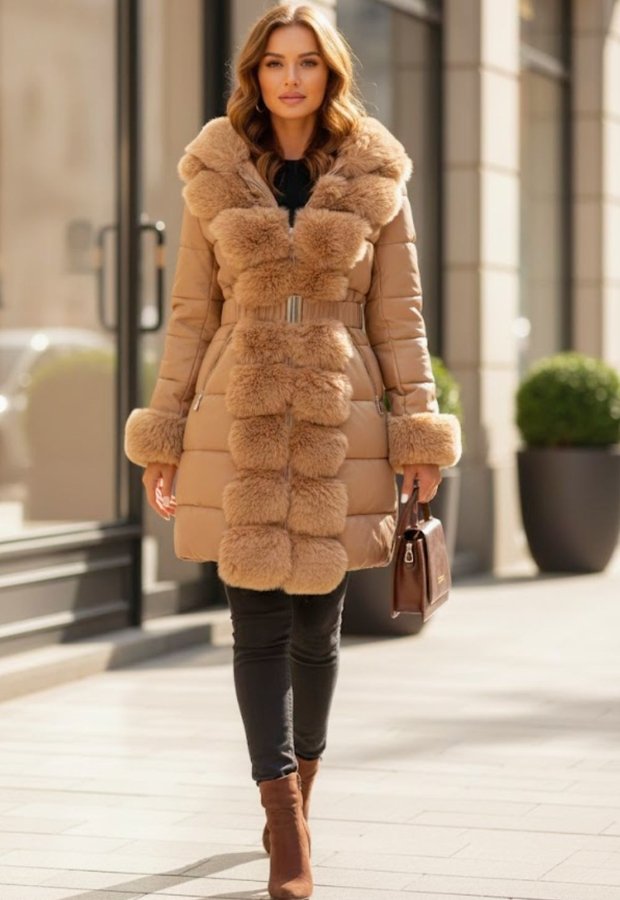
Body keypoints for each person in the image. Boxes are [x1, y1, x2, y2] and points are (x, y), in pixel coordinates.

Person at [124, 4, 462, 898]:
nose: (290, 77)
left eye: (307, 61)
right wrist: (164, 431)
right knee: (255, 624)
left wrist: (416, 429)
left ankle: (302, 789)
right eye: (275, 61)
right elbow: (192, 317)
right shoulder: (213, 173)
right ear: (255, 73)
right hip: (235, 411)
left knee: (319, 628)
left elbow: (401, 318)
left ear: (330, 72)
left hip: (337, 413)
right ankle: (284, 824)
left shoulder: (377, 173)